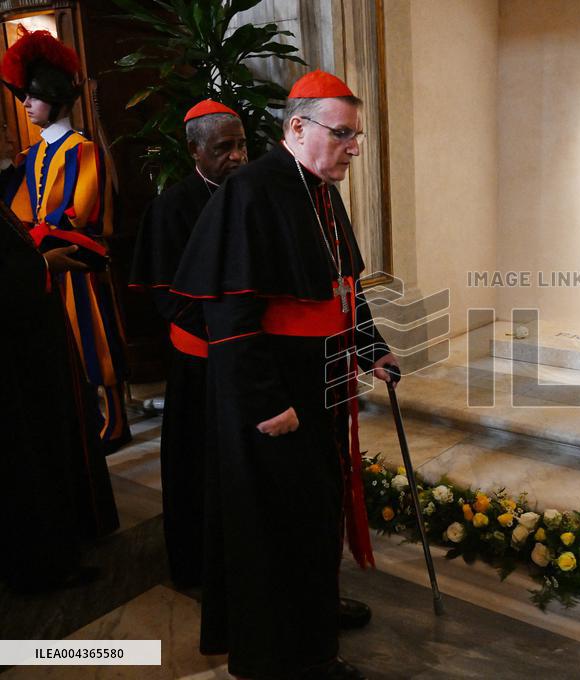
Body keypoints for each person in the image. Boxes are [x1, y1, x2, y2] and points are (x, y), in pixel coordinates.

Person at [172, 71, 397, 680]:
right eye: (343, 134)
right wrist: (268, 401)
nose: (354, 147)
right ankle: (293, 653)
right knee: (279, 525)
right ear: (298, 128)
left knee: (315, 510)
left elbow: (343, 287)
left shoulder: (320, 188)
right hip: (276, 393)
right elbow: (230, 311)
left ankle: (314, 612)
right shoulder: (252, 189)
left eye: (356, 134)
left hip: (316, 379)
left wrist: (369, 347)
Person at [129, 99, 248, 588]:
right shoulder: (172, 206)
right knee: (199, 470)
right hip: (200, 361)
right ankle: (200, 568)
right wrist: (225, 330)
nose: (238, 156)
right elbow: (167, 295)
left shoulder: (255, 193)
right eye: (225, 147)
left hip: (246, 355)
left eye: (243, 144)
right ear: (194, 149)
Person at [0, 27, 131, 453]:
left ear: (54, 97)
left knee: (95, 338)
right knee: (66, 344)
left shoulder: (83, 150)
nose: (25, 105)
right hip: (44, 262)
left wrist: (38, 233)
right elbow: (21, 208)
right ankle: (85, 416)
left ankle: (115, 421)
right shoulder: (32, 153)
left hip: (78, 259)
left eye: (32, 97)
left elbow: (81, 213)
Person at [0, 192, 118, 592]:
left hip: (33, 345)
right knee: (28, 456)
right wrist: (42, 265)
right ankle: (42, 566)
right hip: (17, 360)